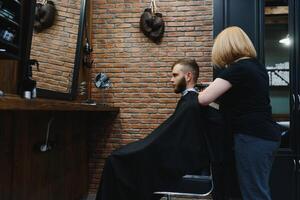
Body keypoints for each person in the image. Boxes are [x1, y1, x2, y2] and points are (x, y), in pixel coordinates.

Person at [96, 59, 227, 200]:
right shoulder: (189, 100)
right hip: (177, 155)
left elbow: (176, 140)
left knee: (115, 161)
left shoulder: (190, 104)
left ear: (188, 76)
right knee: (121, 157)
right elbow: (172, 136)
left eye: (175, 75)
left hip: (181, 161)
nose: (171, 80)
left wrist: (141, 149)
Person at [198, 26, 281, 200]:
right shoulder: (256, 67)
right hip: (264, 136)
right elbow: (239, 102)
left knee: (254, 192)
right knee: (255, 189)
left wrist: (199, 92)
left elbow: (203, 99)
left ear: (225, 47)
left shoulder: (238, 69)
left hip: (252, 137)